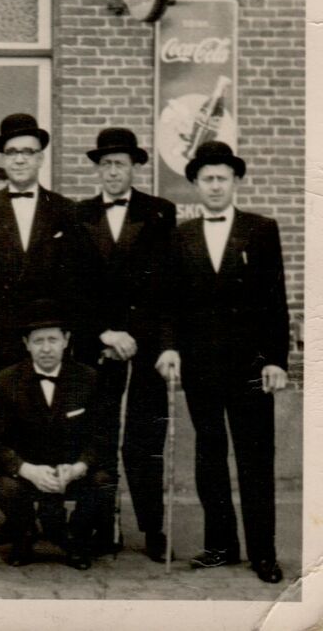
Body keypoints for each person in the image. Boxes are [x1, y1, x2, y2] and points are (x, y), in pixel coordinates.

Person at [156, 141, 289, 584]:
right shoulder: (180, 236)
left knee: (255, 457)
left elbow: (275, 302)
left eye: (222, 178)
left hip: (250, 367)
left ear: (236, 182)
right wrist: (170, 347)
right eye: (207, 179)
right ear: (195, 184)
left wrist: (275, 360)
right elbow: (169, 304)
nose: (215, 185)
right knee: (209, 456)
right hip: (200, 367)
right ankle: (221, 545)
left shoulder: (261, 230)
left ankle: (263, 552)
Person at [75, 127, 176, 561]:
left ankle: (153, 529)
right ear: (97, 169)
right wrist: (103, 333)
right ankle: (102, 525)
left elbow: (167, 286)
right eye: (105, 164)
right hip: (98, 348)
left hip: (144, 350)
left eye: (120, 163)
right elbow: (73, 288)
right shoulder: (79, 215)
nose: (112, 171)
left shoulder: (159, 213)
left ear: (134, 167)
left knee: (144, 440)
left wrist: (139, 337)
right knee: (99, 436)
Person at [0, 299, 113, 571]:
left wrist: (79, 467)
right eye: (38, 341)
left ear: (66, 340)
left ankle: (75, 538)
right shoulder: (6, 380)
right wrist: (26, 469)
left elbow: (102, 435)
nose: (46, 348)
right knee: (3, 485)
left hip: (71, 467)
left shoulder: (89, 378)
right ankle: (24, 534)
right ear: (26, 343)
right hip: (29, 468)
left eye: (53, 340)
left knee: (104, 481)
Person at [0, 114, 90, 373]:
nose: (19, 159)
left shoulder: (66, 210)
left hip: (48, 343)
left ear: (40, 158)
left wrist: (66, 335)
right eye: (11, 152)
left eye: (27, 152)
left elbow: (78, 281)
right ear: (3, 159)